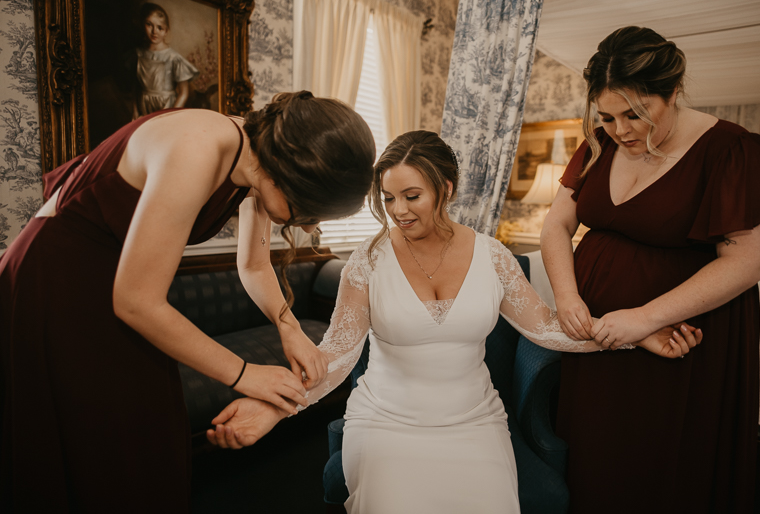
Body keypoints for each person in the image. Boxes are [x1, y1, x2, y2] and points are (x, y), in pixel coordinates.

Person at [207, 130, 702, 513]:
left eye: (412, 196)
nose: (397, 211)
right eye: (388, 197)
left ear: (446, 188)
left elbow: (547, 329)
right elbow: (335, 357)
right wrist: (276, 408)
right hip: (385, 421)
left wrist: (634, 337)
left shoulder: (494, 256)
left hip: (473, 421)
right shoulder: (367, 261)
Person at [0, 91, 376, 512]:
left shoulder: (258, 160)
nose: (311, 222)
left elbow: (252, 265)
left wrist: (288, 327)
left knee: (150, 434)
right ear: (291, 176)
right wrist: (244, 374)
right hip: (58, 285)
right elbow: (137, 301)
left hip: (118, 285)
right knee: (98, 446)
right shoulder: (200, 146)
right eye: (311, 210)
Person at [539, 26, 760, 514]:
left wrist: (644, 317)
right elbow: (556, 225)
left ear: (674, 92)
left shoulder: (735, 152)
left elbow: (747, 261)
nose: (621, 131)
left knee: (661, 463)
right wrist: (569, 297)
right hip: (595, 331)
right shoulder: (599, 144)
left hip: (682, 335)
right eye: (608, 116)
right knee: (594, 454)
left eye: (636, 114)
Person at [132, 2, 199, 119]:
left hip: (167, 107)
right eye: (149, 25)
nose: (154, 31)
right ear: (143, 25)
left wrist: (170, 114)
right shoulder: (138, 54)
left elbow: (183, 93)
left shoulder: (173, 58)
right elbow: (137, 87)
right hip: (144, 106)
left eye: (160, 28)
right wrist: (135, 111)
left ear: (166, 31)